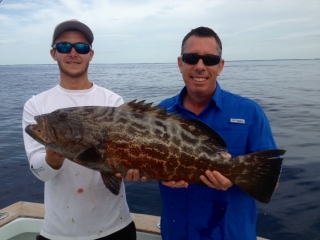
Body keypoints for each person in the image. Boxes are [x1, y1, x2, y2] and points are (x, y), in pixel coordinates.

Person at [147, 27, 278, 240]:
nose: (200, 66)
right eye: (191, 58)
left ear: (221, 66)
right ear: (180, 63)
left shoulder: (249, 112)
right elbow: (149, 158)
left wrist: (235, 177)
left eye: (209, 59)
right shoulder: (162, 113)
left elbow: (272, 179)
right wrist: (157, 174)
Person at [22, 19, 136, 240]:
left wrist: (134, 167)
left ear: (90, 54)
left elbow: (122, 162)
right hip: (59, 233)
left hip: (117, 227)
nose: (73, 53)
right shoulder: (36, 105)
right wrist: (53, 159)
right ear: (53, 53)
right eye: (64, 46)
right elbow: (39, 171)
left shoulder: (112, 100)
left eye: (81, 47)